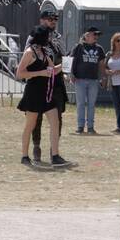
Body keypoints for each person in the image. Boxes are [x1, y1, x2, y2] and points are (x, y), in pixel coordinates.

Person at [16, 26, 70, 168]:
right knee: (30, 125)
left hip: (47, 94)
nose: (50, 39)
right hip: (33, 93)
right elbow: (19, 73)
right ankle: (24, 156)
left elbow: (52, 71)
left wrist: (66, 64)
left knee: (55, 122)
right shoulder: (29, 53)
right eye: (48, 36)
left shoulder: (45, 52)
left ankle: (55, 156)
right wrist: (39, 73)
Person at [70, 27, 106, 135]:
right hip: (79, 79)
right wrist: (71, 74)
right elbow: (71, 60)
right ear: (87, 35)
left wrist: (103, 78)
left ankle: (90, 127)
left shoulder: (99, 49)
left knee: (91, 104)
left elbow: (102, 65)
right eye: (94, 34)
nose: (96, 37)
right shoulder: (78, 47)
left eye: (97, 35)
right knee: (81, 104)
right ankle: (80, 127)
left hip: (93, 80)